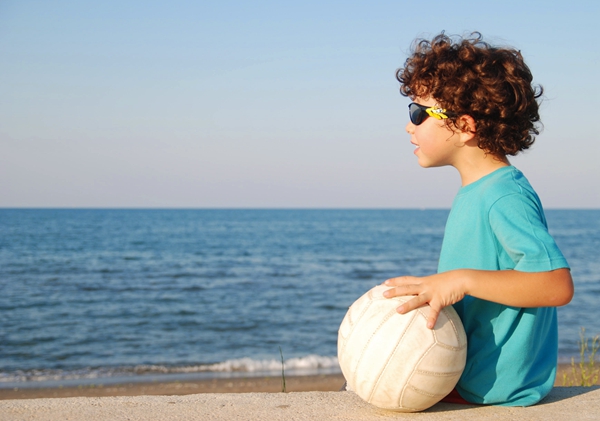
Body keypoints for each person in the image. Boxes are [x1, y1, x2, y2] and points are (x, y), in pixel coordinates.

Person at [383, 32, 574, 406]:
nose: (410, 125)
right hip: (472, 374)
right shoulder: (478, 191)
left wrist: (461, 280)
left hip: (493, 388)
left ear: (465, 126)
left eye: (418, 113)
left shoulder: (504, 196)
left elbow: (556, 285)